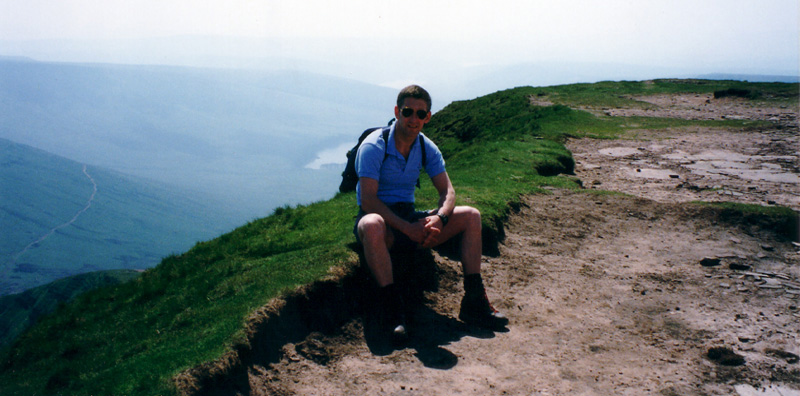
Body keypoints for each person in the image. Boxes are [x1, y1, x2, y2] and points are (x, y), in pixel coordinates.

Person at [353, 85, 508, 340]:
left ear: (428, 117)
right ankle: (392, 312)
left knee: (472, 215)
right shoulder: (374, 146)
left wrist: (439, 218)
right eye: (407, 111)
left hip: (409, 217)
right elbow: (368, 200)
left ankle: (474, 302)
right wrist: (407, 228)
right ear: (397, 111)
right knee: (371, 224)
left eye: (420, 114)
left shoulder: (426, 147)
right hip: (383, 223)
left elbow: (448, 192)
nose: (414, 119)